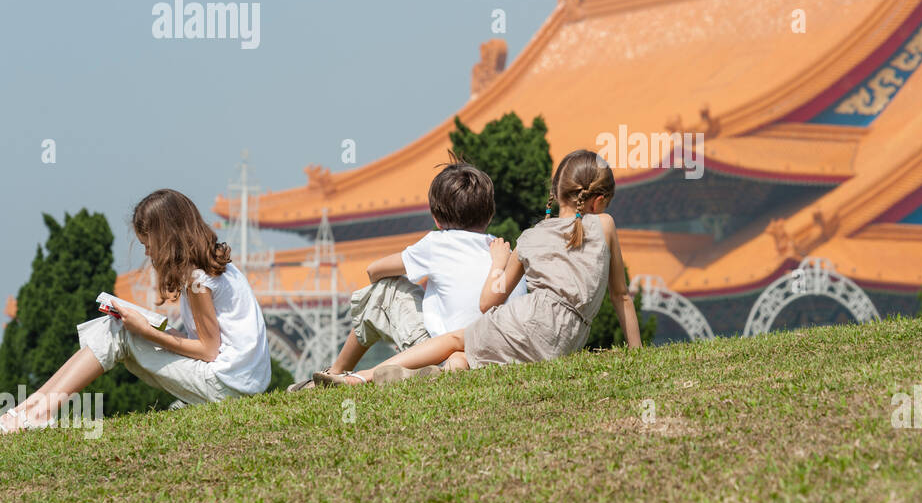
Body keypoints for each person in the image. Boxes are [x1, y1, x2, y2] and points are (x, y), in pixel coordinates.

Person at [313, 149, 639, 386]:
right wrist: (637, 356)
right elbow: (621, 297)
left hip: (524, 325)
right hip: (563, 341)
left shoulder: (530, 238)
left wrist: (498, 264)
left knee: (455, 338)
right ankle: (437, 375)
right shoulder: (606, 225)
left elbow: (488, 303)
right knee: (461, 358)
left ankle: (358, 375)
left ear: (555, 193)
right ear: (599, 202)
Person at [1, 189, 271, 433]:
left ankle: (36, 412)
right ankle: (30, 408)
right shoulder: (216, 267)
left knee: (119, 332)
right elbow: (213, 344)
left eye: (147, 244)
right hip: (241, 381)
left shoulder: (198, 281)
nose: (148, 252)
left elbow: (208, 351)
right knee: (114, 325)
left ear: (166, 238)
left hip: (228, 387)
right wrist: (155, 329)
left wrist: (145, 332)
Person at [288, 161, 522, 389]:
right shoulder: (504, 252)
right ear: (490, 214)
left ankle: (336, 372)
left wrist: (416, 278)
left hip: (441, 348)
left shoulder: (436, 243)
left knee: (384, 290)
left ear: (436, 218)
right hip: (496, 351)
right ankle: (439, 371)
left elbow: (374, 270)